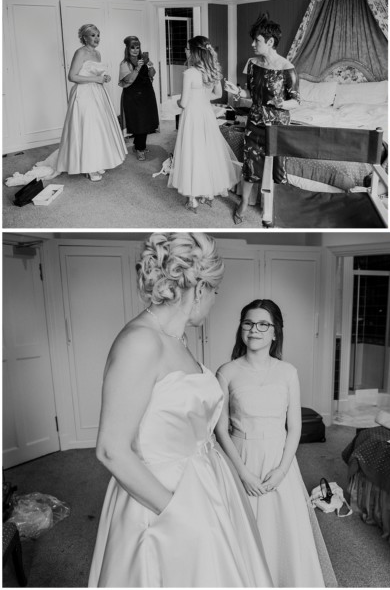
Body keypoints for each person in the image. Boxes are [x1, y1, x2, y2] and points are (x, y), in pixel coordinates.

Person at [88, 233, 272, 587]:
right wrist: (180, 513)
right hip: (161, 498)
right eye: (216, 291)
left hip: (202, 482)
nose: (216, 301)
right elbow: (111, 449)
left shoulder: (177, 338)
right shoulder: (140, 342)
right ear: (200, 288)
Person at [215, 299, 332, 587]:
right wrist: (242, 473)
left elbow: (294, 428)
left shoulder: (288, 372)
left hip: (280, 461)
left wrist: (281, 470)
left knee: (284, 532)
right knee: (243, 529)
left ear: (275, 332)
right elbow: (219, 430)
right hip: (241, 456)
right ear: (241, 328)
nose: (255, 329)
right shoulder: (226, 372)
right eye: (248, 323)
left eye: (263, 324)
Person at [225, 13, 300, 225]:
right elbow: (250, 95)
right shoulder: (252, 65)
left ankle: (276, 207)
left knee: (278, 166)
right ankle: (243, 202)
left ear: (270, 42)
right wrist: (237, 91)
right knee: (250, 164)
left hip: (278, 126)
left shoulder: (287, 68)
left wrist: (281, 104)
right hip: (255, 122)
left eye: (256, 40)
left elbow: (296, 101)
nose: (252, 44)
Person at [168, 36, 240, 212]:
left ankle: (192, 198)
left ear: (194, 52)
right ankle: (207, 191)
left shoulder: (189, 73)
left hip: (192, 115)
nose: (185, 51)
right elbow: (217, 94)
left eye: (187, 48)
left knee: (192, 151)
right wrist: (201, 97)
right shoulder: (211, 71)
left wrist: (179, 102)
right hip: (206, 114)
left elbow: (183, 103)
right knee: (207, 149)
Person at [55, 24, 127, 181]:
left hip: (97, 93)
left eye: (98, 35)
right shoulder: (80, 52)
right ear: (84, 37)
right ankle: (88, 167)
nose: (96, 38)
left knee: (98, 128)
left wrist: (104, 77)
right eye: (93, 35)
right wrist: (97, 79)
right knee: (87, 127)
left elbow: (94, 72)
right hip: (84, 94)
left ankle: (96, 161)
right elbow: (72, 76)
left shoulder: (97, 53)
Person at [118, 36, 159, 161]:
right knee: (139, 122)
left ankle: (138, 146)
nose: (136, 50)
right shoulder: (125, 63)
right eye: (132, 48)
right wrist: (137, 68)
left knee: (146, 121)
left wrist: (150, 66)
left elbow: (152, 75)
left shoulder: (144, 60)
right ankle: (140, 149)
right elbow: (128, 79)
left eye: (138, 47)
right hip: (133, 96)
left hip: (147, 94)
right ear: (127, 48)